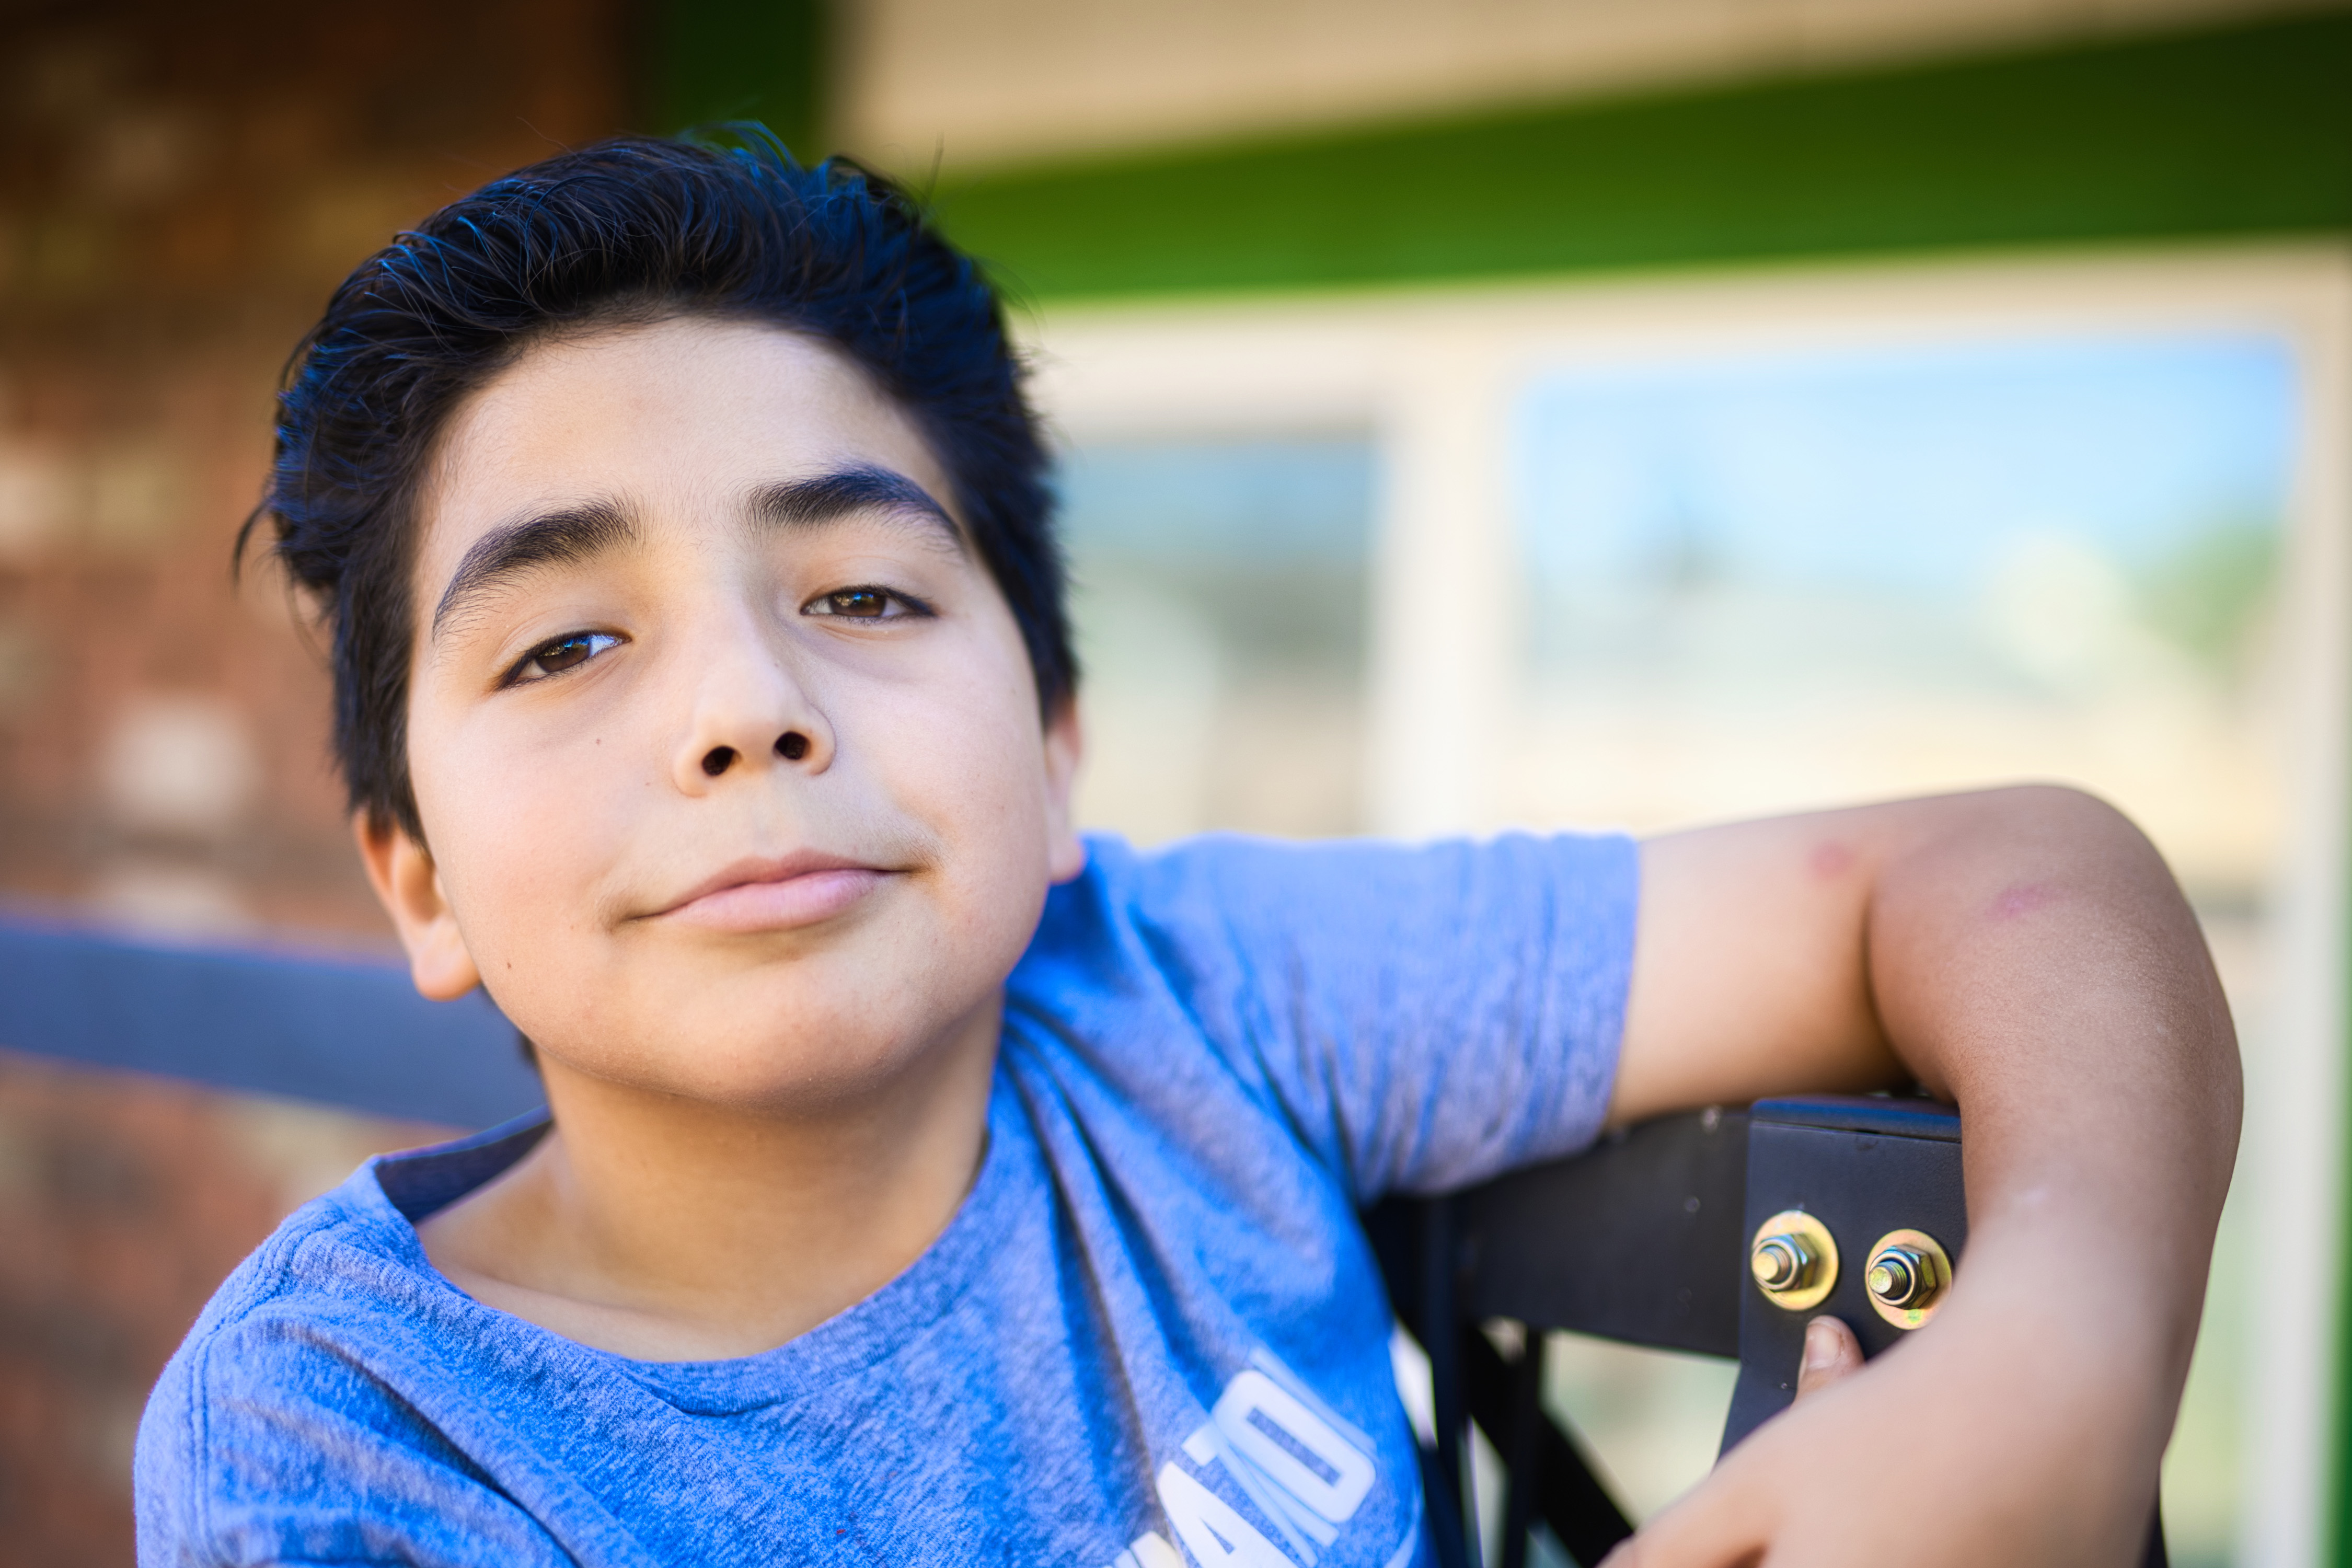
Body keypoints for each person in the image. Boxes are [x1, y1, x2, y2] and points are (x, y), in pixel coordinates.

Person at [133, 133, 2238, 1568]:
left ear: (1056, 758)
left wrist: (2063, 1343)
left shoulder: (1183, 996)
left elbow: (2014, 870)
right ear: (417, 876)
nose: (743, 707)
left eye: (862, 594)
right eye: (565, 644)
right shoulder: (345, 1430)